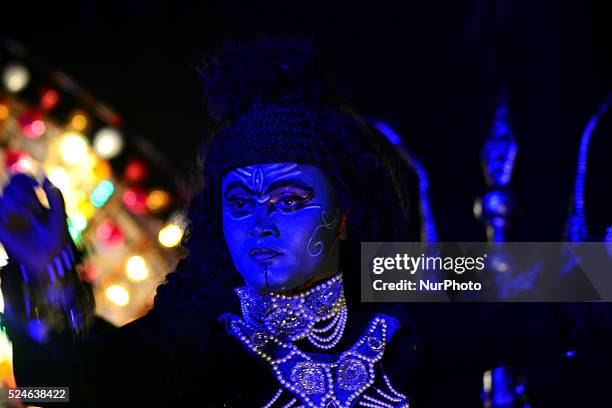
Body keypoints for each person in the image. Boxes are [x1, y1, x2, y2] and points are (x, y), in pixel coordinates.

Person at [0, 37, 609, 408]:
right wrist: (48, 280)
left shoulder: (392, 282)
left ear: (343, 215)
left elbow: (571, 286)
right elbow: (51, 396)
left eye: (290, 201)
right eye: (240, 203)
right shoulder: (203, 324)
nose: (260, 223)